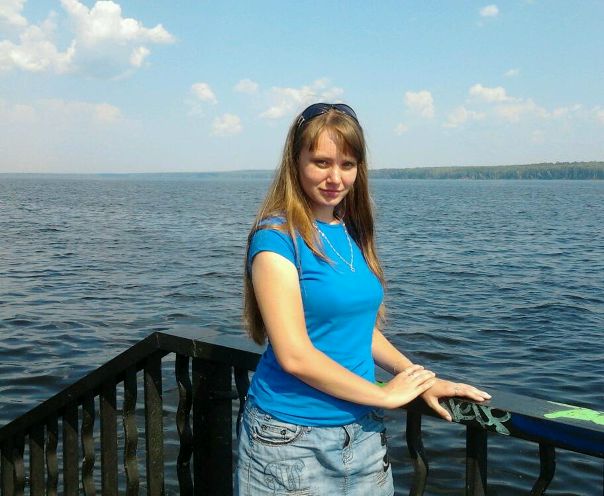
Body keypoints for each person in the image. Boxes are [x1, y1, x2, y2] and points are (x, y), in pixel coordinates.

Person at [237, 102, 490, 495]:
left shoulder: (348, 230)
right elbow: (294, 355)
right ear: (295, 162)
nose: (335, 178)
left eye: (348, 164)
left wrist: (420, 379)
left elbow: (359, 329)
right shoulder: (277, 239)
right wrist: (384, 395)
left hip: (364, 434)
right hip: (290, 441)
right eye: (321, 162)